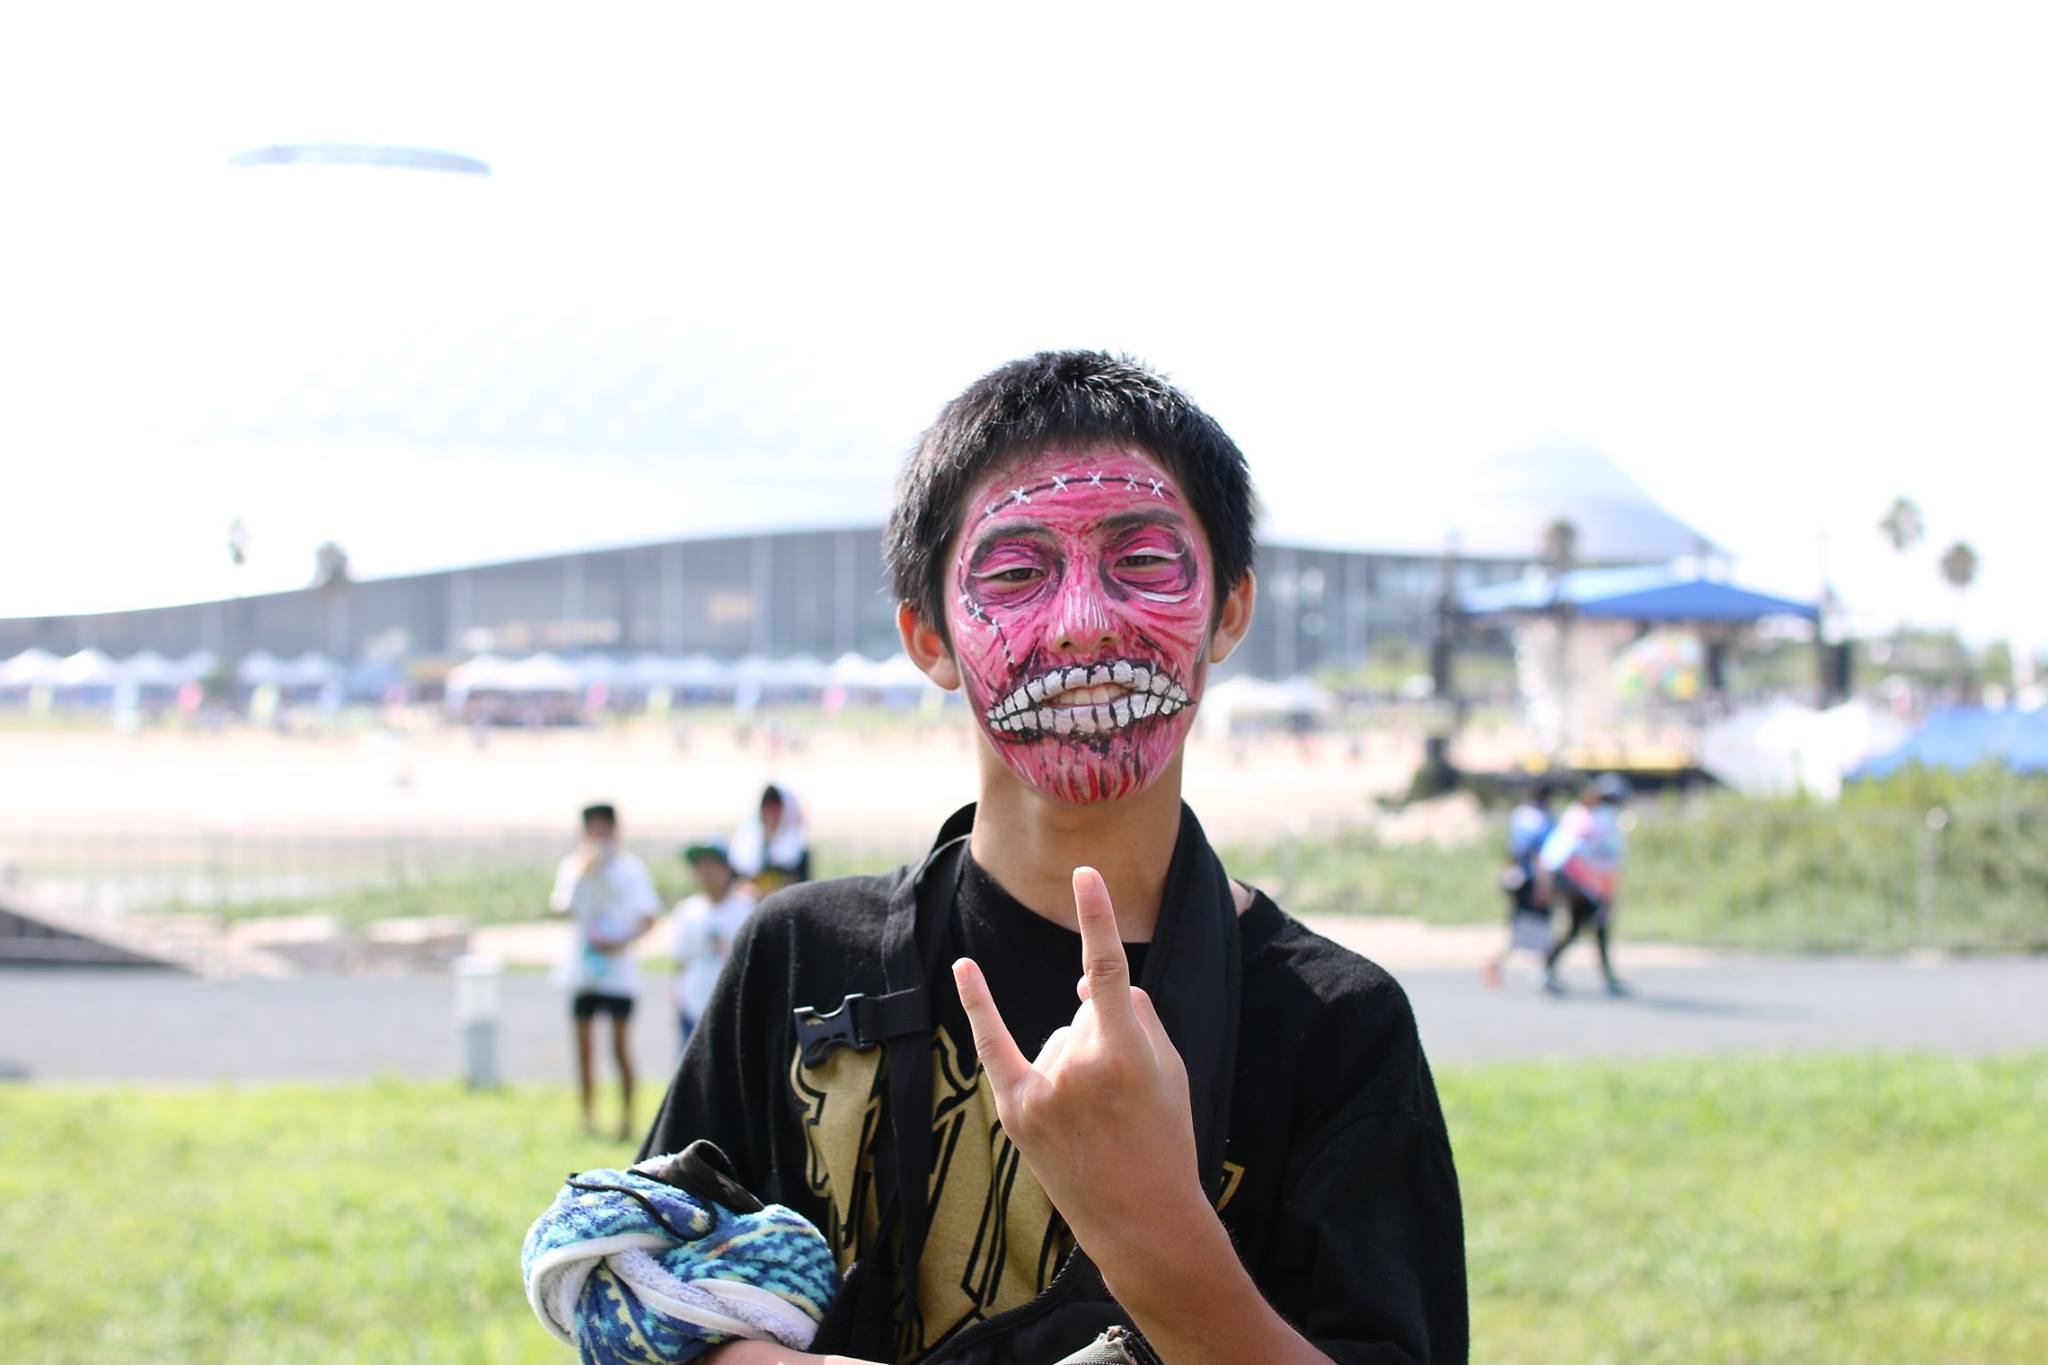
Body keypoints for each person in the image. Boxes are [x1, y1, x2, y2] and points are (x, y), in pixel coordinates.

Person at [642, 351, 1467, 1363]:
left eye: (1144, 562)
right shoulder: (802, 962)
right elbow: (641, 1297)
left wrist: (1153, 1229)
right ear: (928, 636)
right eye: (1015, 573)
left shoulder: (1335, 1028)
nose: (1082, 626)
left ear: (1230, 610)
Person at [549, 802, 662, 1139]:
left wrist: (619, 942)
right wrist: (583, 873)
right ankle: (588, 1118)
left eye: (604, 827)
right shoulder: (574, 866)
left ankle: (627, 1119)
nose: (598, 834)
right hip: (583, 971)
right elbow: (561, 907)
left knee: (619, 1047)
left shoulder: (630, 870)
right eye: (592, 827)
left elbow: (648, 917)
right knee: (584, 1048)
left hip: (619, 973)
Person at [1537, 774, 1631, 996]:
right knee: (1587, 929)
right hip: (1581, 886)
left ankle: (1551, 969)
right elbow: (1567, 854)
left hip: (1588, 885)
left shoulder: (1587, 816)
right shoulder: (1591, 818)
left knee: (1590, 930)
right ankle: (1548, 968)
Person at [671, 839, 757, 1052]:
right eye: (700, 866)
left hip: (732, 1006)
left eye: (712, 865)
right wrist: (677, 992)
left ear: (727, 869)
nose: (706, 872)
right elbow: (680, 960)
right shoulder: (687, 911)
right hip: (693, 1003)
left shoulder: (746, 909)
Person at [1482, 778, 1562, 988]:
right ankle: (1540, 973)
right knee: (1540, 927)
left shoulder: (1520, 815)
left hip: (1516, 877)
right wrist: (1544, 887)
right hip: (1532, 879)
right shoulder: (1543, 820)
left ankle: (1535, 970)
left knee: (1522, 925)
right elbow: (1539, 856)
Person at [729, 783, 811, 893]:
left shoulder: (798, 850)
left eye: (776, 807)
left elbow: (800, 885)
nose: (771, 813)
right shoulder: (744, 845)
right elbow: (735, 880)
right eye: (767, 807)